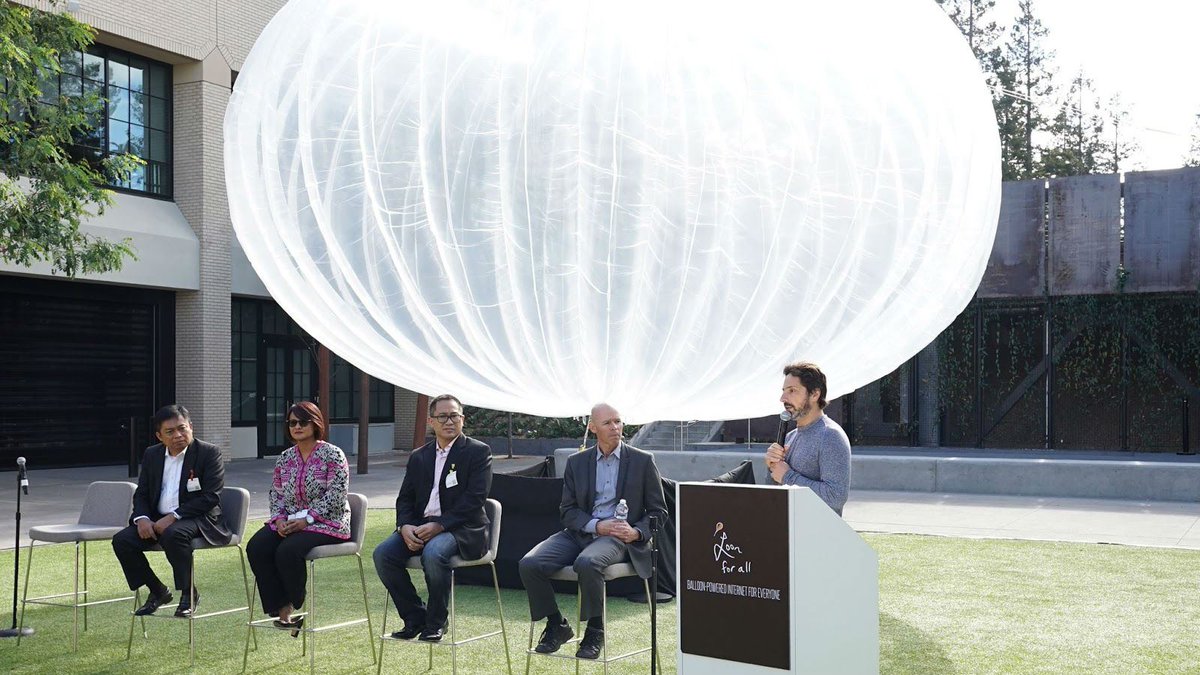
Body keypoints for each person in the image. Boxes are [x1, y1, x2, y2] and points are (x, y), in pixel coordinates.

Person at [519, 403, 668, 660]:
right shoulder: (577, 462)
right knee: (529, 564)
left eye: (618, 421)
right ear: (593, 427)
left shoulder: (643, 461)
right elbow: (567, 511)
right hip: (580, 532)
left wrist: (636, 532)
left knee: (587, 562)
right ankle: (556, 624)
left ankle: (595, 630)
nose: (615, 427)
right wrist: (597, 525)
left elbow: (659, 511)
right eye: (607, 423)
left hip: (619, 538)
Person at [373, 394, 493, 642]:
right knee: (383, 554)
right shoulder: (419, 455)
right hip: (420, 526)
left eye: (454, 416)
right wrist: (404, 525)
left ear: (462, 419)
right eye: (443, 417)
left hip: (461, 528)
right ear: (431, 421)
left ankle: (436, 622)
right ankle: (415, 617)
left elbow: (475, 499)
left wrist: (440, 525)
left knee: (434, 553)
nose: (449, 421)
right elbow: (405, 498)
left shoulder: (478, 452)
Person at [112, 404, 229, 617]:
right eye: (170, 432)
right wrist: (142, 518)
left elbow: (211, 497)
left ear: (191, 427)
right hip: (157, 519)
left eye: (182, 428)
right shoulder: (152, 454)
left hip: (198, 518)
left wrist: (174, 516)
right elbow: (142, 493)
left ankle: (188, 593)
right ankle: (157, 591)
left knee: (173, 533)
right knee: (122, 540)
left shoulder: (208, 453)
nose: (178, 435)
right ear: (159, 436)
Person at [246, 401, 350, 634]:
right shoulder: (284, 458)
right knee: (257, 546)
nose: (297, 427)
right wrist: (279, 519)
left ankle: (295, 604)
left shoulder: (333, 454)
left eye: (303, 422)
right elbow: (276, 493)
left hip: (327, 522)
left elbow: (337, 494)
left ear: (316, 424)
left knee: (288, 550)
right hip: (291, 520)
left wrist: (308, 519)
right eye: (292, 423)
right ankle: (281, 607)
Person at [765, 361, 852, 515]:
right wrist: (771, 466)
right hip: (787, 526)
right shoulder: (789, 437)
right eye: (784, 391)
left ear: (815, 394)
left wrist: (787, 476)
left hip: (817, 530)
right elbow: (772, 496)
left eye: (792, 390)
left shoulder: (830, 436)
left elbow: (836, 497)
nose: (783, 398)